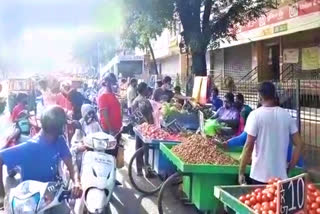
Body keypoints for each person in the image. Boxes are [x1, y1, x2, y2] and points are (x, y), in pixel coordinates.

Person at [0, 106, 82, 211]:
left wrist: (76, 182)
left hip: (53, 195)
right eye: (63, 125)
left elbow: (71, 164)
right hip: (31, 202)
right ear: (58, 128)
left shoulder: (59, 141)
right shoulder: (29, 147)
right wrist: (2, 195)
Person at [239, 82, 304, 185]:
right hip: (280, 178)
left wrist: (241, 172)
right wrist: (290, 167)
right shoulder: (287, 116)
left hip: (259, 176)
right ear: (274, 95)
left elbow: (248, 145)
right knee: (278, 201)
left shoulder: (255, 115)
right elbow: (299, 144)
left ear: (259, 96)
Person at [131, 82, 154, 177]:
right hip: (145, 129)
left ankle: (139, 170)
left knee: (138, 148)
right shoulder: (146, 101)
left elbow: (133, 116)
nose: (147, 90)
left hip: (138, 128)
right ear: (144, 90)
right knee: (146, 149)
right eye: (146, 89)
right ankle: (147, 171)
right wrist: (151, 126)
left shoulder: (135, 101)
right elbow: (150, 117)